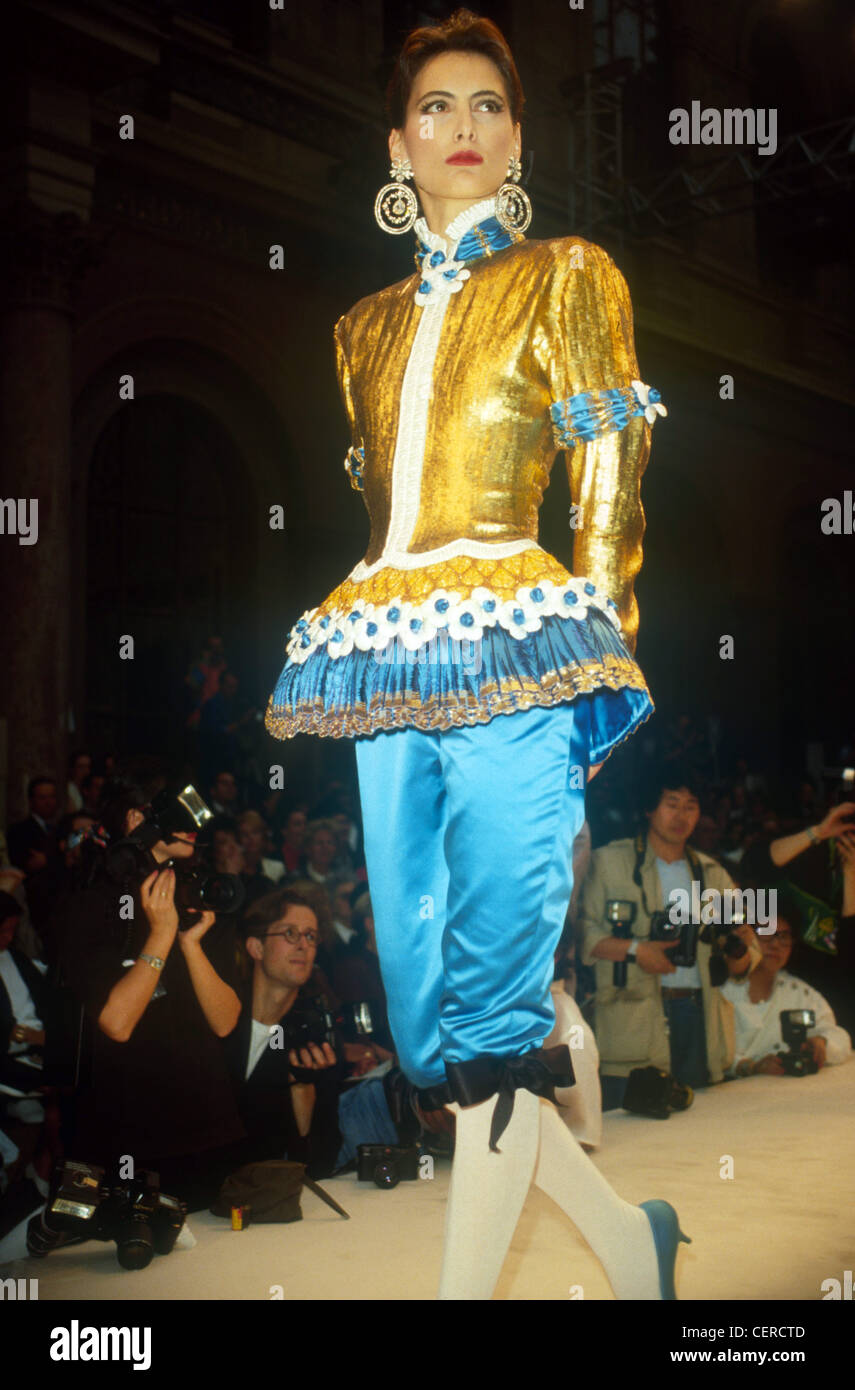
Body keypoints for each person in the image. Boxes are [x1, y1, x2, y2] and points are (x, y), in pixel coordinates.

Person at [264, 10, 681, 1300]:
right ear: (398, 143)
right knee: (427, 1020)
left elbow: (610, 459)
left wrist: (597, 639)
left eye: (488, 107)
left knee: (501, 1015)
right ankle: (629, 1240)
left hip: (519, 656)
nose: (463, 128)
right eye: (436, 107)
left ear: (520, 138)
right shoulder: (359, 331)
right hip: (393, 659)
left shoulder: (569, 273)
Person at [58, 778, 247, 1211]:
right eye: (178, 812)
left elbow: (225, 1019)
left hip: (207, 1129)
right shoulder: (95, 903)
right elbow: (116, 1023)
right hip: (132, 1137)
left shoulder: (199, 893)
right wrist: (160, 935)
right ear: (137, 818)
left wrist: (190, 944)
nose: (194, 827)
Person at [579, 766, 742, 1110]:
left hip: (698, 1015)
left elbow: (746, 944)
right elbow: (583, 934)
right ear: (649, 809)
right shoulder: (609, 862)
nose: (681, 815)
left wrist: (740, 953)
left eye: (691, 805)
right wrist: (636, 950)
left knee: (697, 1128)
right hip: (633, 1017)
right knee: (628, 1127)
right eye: (672, 803)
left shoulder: (714, 874)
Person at [226, 887, 342, 1178]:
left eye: (311, 936)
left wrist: (303, 1090)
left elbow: (317, 1161)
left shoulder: (311, 1038)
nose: (303, 945)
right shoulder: (222, 1016)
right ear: (257, 948)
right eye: (290, 933)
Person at [718, 901, 851, 1076]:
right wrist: (750, 1067)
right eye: (766, 933)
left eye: (783, 937)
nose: (775, 945)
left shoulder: (798, 992)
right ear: (745, 937)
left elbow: (839, 1037)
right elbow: (711, 1051)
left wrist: (821, 1042)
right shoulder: (720, 990)